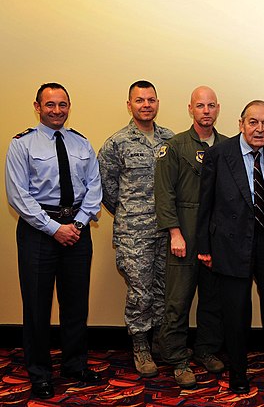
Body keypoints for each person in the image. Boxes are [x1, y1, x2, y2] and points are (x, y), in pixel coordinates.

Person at [5, 83, 102, 399]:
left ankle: (75, 365)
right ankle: (40, 373)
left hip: (76, 228)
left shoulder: (81, 143)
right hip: (38, 232)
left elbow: (94, 188)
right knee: (37, 306)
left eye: (63, 104)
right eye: (50, 105)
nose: (57, 110)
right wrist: (53, 228)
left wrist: (76, 224)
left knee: (76, 304)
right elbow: (18, 196)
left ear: (69, 106)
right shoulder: (22, 145)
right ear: (37, 106)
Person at [197, 100, 264, 394]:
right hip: (230, 245)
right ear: (241, 124)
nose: (260, 129)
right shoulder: (219, 153)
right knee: (236, 313)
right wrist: (204, 246)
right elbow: (206, 204)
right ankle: (238, 372)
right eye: (253, 122)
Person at [98, 80, 174, 378]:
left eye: (151, 100)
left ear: (157, 103)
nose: (146, 105)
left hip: (167, 230)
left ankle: (158, 341)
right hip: (134, 233)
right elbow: (106, 187)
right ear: (129, 104)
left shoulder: (170, 139)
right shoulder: (117, 143)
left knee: (162, 289)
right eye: (139, 100)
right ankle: (140, 345)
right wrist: (130, 214)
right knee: (140, 291)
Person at [154, 86, 227, 389]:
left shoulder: (227, 146)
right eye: (200, 105)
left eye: (211, 105)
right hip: (184, 233)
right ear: (191, 109)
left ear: (217, 109)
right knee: (178, 300)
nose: (206, 111)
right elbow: (164, 193)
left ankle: (206, 349)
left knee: (213, 298)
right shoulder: (175, 147)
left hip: (215, 236)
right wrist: (174, 233)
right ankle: (176, 358)